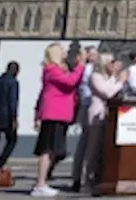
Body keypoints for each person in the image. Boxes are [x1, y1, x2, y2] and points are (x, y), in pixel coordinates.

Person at [32, 42, 86, 198]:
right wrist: (81, 65)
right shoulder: (51, 70)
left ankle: (42, 182)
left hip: (60, 113)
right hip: (54, 113)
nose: (64, 52)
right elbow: (70, 82)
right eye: (61, 50)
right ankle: (40, 184)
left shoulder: (57, 69)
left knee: (53, 149)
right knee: (48, 149)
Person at [83, 52, 128, 192]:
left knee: (105, 149)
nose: (114, 66)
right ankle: (89, 180)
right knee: (94, 149)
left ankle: (103, 178)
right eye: (111, 63)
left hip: (111, 117)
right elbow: (108, 93)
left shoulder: (112, 77)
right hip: (97, 115)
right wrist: (120, 81)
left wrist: (118, 80)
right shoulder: (96, 77)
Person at [68, 46, 98, 194]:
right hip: (89, 106)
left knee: (83, 144)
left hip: (85, 106)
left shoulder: (83, 69)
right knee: (89, 144)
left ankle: (77, 177)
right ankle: (86, 178)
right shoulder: (90, 70)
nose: (96, 56)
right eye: (93, 54)